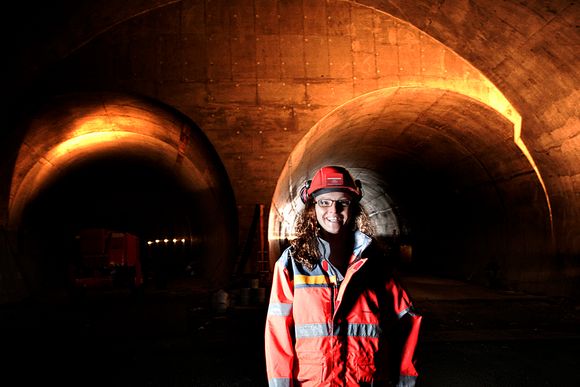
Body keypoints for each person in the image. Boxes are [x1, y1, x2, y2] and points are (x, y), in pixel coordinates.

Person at [264, 166, 421, 387]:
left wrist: (404, 382)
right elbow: (278, 334)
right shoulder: (293, 264)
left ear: (353, 208)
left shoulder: (374, 263)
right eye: (324, 202)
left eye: (343, 202)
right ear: (312, 207)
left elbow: (407, 320)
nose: (334, 209)